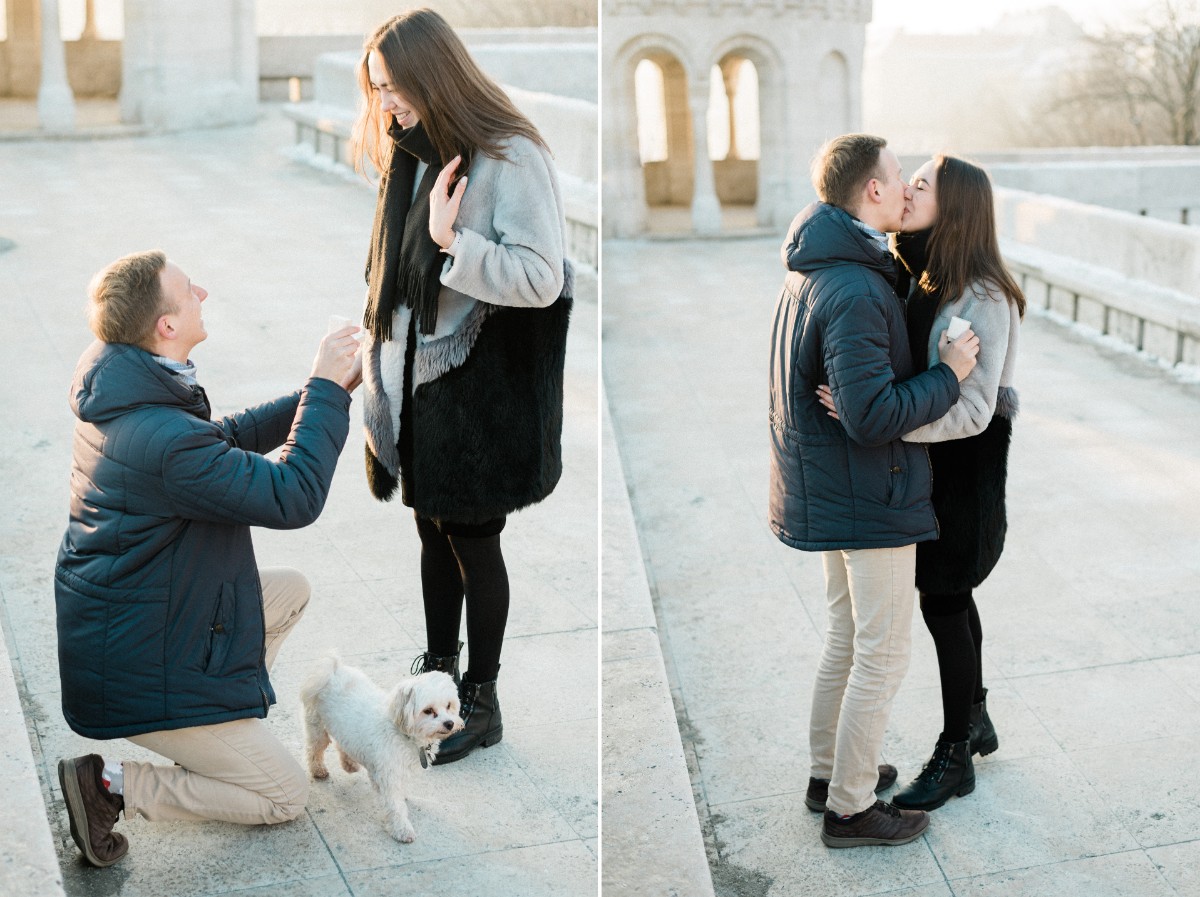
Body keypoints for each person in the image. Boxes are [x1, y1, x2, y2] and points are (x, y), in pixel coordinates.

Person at [54, 250, 362, 867]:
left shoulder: (131, 388)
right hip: (137, 667)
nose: (203, 290)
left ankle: (214, 731)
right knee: (284, 795)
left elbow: (218, 440)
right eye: (188, 290)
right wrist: (325, 391)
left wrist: (322, 392)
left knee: (288, 589)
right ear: (166, 326)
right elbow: (292, 495)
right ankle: (108, 784)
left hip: (135, 628)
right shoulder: (159, 437)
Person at [350, 9, 571, 765]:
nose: (384, 103)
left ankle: (482, 696)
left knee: (475, 541)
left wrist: (455, 243)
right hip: (416, 383)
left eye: (393, 86)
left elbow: (542, 278)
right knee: (428, 528)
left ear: (432, 73)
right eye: (376, 88)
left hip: (474, 389)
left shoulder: (509, 154)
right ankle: (438, 672)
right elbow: (391, 271)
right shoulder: (413, 150)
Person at [768, 134, 979, 848]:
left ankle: (830, 773)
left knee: (846, 637)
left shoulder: (821, 262)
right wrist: (949, 371)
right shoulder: (856, 287)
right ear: (872, 194)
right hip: (868, 494)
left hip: (832, 487)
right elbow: (872, 414)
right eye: (897, 177)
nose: (906, 188)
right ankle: (852, 808)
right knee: (881, 653)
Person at [819, 155, 1023, 810]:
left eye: (924, 185)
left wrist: (885, 424)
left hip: (963, 475)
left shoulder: (983, 294)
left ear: (955, 206)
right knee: (954, 600)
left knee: (944, 602)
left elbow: (971, 409)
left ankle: (955, 751)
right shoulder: (924, 269)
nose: (908, 189)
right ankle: (977, 713)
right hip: (928, 474)